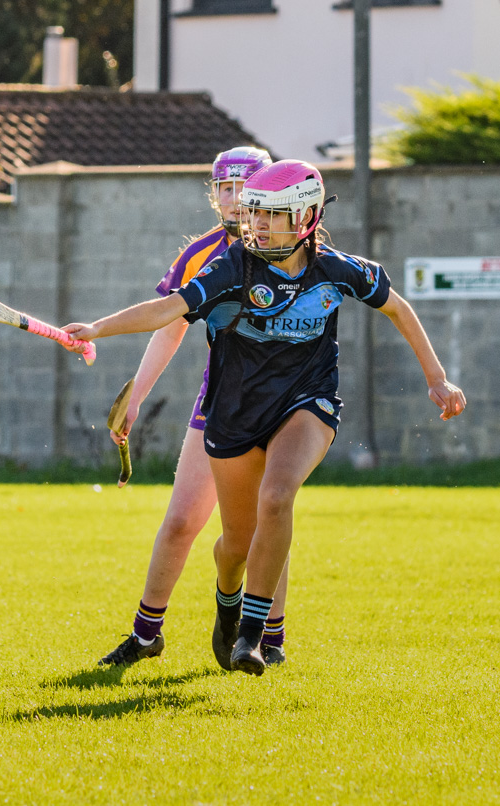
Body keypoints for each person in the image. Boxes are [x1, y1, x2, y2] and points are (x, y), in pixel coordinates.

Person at [64, 160, 465, 675]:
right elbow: (168, 310)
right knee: (234, 546)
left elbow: (397, 308)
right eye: (254, 214)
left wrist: (436, 376)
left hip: (307, 402)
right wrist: (97, 327)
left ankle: (252, 637)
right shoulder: (234, 266)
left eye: (271, 215)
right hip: (233, 414)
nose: (257, 225)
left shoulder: (338, 269)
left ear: (306, 217)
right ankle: (227, 603)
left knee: (277, 497)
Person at [98, 147, 293, 670]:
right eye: (223, 189)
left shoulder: (295, 249)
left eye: (244, 187)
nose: (233, 200)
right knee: (182, 519)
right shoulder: (200, 255)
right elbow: (170, 326)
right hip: (220, 402)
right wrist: (135, 396)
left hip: (283, 406)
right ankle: (146, 635)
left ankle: (269, 639)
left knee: (268, 518)